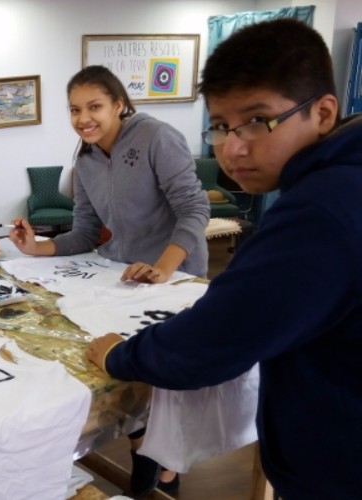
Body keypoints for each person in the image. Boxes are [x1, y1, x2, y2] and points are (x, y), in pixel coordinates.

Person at [87, 19, 361, 498]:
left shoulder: (320, 210)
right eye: (219, 127)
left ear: (322, 113)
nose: (232, 148)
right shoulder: (339, 181)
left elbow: (211, 342)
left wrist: (119, 354)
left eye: (257, 121)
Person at [9, 65, 209, 495]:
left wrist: (164, 267)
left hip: (176, 275)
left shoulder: (156, 136)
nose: (84, 118)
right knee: (119, 356)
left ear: (119, 105)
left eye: (94, 106)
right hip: (122, 274)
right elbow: (84, 232)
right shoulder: (85, 160)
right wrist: (36, 248)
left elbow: (195, 209)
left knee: (165, 371)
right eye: (75, 109)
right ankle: (144, 446)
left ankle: (167, 468)